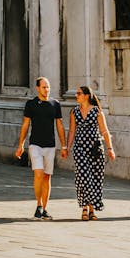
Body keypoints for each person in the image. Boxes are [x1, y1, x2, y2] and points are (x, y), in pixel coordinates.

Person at [15, 76, 67, 220]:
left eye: (48, 87)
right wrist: (21, 145)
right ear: (38, 88)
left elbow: (60, 125)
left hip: (50, 145)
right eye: (44, 87)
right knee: (38, 174)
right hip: (35, 144)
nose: (47, 89)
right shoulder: (31, 104)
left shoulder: (55, 104)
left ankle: (44, 208)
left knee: (47, 177)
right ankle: (38, 204)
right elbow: (25, 125)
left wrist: (64, 146)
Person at [67, 85, 115, 221]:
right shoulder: (74, 111)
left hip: (95, 149)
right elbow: (71, 131)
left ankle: (92, 209)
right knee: (83, 177)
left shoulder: (97, 112)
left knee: (95, 178)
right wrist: (67, 148)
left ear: (87, 95)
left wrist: (110, 149)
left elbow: (104, 131)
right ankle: (84, 208)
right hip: (80, 148)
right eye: (76, 93)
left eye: (79, 93)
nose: (76, 95)